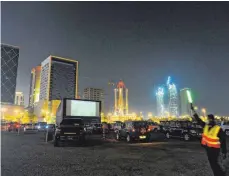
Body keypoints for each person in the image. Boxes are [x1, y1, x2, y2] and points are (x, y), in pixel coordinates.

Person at [191, 104, 227, 176]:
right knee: (212, 162)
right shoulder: (206, 126)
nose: (209, 120)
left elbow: (223, 140)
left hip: (214, 149)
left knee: (214, 163)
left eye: (210, 119)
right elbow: (198, 120)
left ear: (213, 120)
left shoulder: (218, 129)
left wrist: (224, 151)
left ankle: (220, 174)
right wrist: (193, 111)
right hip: (208, 148)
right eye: (208, 119)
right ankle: (219, 173)